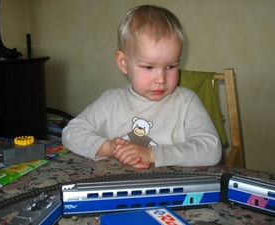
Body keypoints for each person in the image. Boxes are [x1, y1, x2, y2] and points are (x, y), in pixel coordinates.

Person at [62, 5, 221, 169]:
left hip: (172, 189)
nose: (161, 79)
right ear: (124, 63)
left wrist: (151, 154)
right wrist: (110, 148)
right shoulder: (111, 101)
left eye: (170, 66)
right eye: (148, 67)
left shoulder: (186, 102)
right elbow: (71, 133)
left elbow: (211, 149)